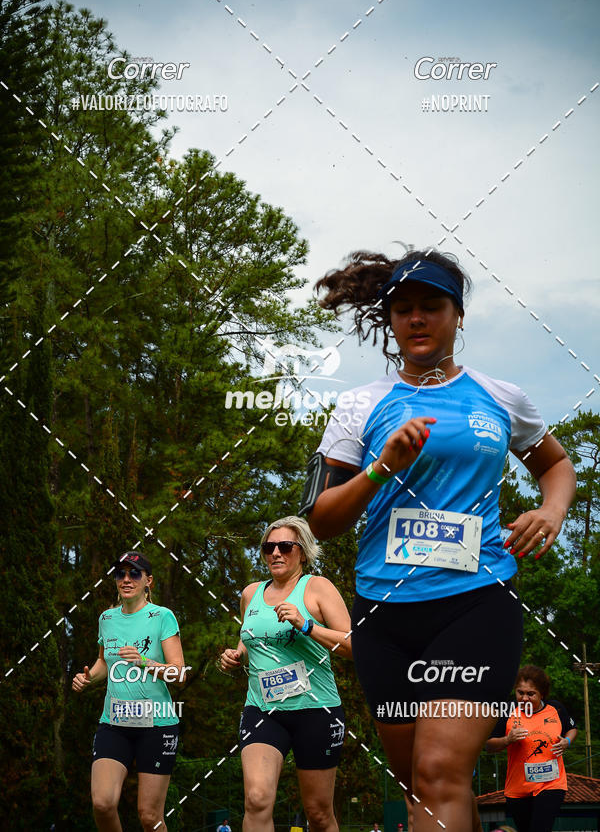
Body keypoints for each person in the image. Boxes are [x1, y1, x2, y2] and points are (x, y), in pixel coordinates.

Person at [302, 249, 576, 832]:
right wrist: (380, 468)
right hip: (385, 614)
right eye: (403, 309)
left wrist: (552, 510)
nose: (417, 318)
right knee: (420, 788)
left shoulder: (500, 396)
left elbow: (555, 465)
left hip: (475, 603)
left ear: (458, 316)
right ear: (390, 320)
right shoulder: (359, 405)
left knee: (438, 773)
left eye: (432, 305)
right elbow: (320, 521)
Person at [220, 516, 352, 832]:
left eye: (285, 546)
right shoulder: (251, 593)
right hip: (263, 710)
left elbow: (352, 645)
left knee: (318, 813)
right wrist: (236, 655)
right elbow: (250, 640)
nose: (276, 553)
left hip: (316, 710)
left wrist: (307, 625)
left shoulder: (317, 587)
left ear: (302, 552)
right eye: (269, 547)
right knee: (256, 800)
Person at [72, 550, 188, 831]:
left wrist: (144, 661)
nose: (126, 579)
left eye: (134, 573)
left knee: (150, 817)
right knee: (102, 804)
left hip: (157, 725)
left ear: (149, 581)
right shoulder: (107, 618)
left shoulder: (162, 616)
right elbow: (104, 662)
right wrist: (88, 678)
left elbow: (179, 674)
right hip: (114, 724)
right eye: (120, 574)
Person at [486, 664, 577, 832]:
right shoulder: (507, 711)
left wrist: (567, 742)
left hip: (551, 784)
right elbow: (489, 745)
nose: (524, 698)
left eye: (531, 694)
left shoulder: (555, 708)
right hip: (518, 788)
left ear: (542, 694)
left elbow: (572, 728)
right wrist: (507, 739)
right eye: (520, 693)